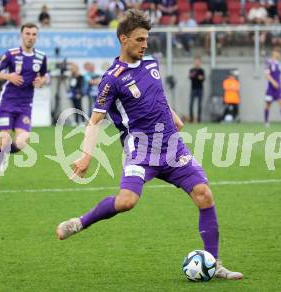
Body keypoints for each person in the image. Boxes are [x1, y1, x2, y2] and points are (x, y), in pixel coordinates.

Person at [56, 9, 243, 280]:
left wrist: (175, 118)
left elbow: (159, 96)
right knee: (126, 201)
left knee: (204, 194)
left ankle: (213, 264)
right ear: (123, 39)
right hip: (141, 149)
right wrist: (86, 156)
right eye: (139, 39)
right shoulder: (112, 79)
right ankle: (80, 223)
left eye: (146, 39)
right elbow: (95, 121)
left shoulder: (152, 63)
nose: (145, 45)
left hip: (171, 145)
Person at [0, 23, 48, 187]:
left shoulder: (41, 57)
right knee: (4, 138)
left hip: (25, 106)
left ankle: (4, 153)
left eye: (34, 34)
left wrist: (42, 81)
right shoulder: (11, 54)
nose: (30, 37)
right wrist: (8, 77)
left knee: (22, 143)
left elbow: (44, 76)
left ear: (37, 36)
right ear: (22, 35)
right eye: (27, 33)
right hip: (7, 103)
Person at [188, 56, 205, 123]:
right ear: (194, 62)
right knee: (191, 105)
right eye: (196, 61)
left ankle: (199, 120)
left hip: (200, 89)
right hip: (193, 89)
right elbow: (191, 77)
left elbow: (202, 79)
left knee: (199, 105)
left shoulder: (202, 70)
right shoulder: (192, 70)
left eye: (198, 61)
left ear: (200, 62)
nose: (197, 63)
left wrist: (195, 76)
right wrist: (197, 77)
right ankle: (191, 119)